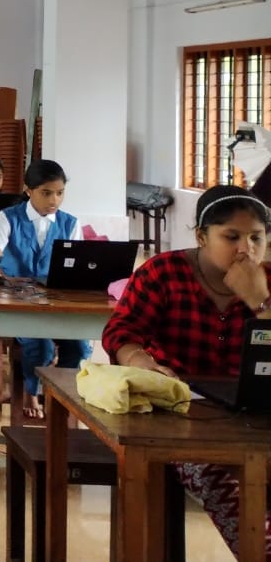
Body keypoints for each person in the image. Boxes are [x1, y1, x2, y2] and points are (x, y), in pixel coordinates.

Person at [103, 184, 271, 556]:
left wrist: (260, 302)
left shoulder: (267, 283)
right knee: (225, 482)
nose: (246, 249)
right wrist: (140, 360)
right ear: (201, 236)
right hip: (181, 418)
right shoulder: (164, 272)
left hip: (256, 417)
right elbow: (121, 331)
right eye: (231, 237)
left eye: (256, 238)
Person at [0, 158, 87, 420]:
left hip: (56, 302)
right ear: (28, 190)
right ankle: (32, 390)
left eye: (60, 193)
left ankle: (60, 393)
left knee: (79, 347)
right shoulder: (8, 218)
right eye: (46, 193)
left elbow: (78, 267)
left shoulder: (70, 224)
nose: (54, 200)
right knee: (41, 345)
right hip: (16, 302)